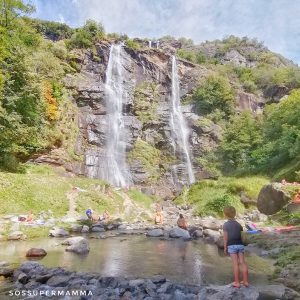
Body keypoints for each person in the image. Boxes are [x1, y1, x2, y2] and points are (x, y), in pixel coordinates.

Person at [223, 206, 249, 288]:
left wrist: (225, 247)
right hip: (240, 245)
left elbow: (225, 238)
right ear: (234, 214)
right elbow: (242, 236)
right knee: (242, 262)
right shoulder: (238, 224)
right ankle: (245, 281)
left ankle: (237, 282)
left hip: (232, 245)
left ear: (225, 215)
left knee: (235, 264)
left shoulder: (225, 225)